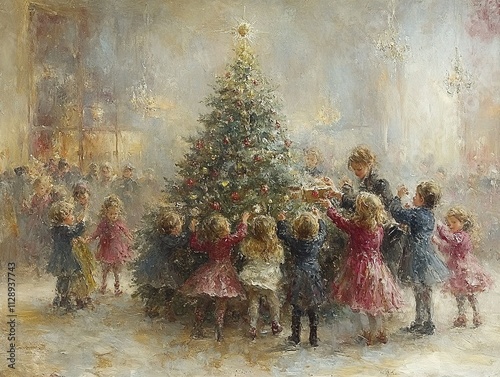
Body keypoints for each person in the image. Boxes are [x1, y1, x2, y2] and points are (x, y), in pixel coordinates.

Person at [320, 193, 403, 345]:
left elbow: (340, 221)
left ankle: (370, 334)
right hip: (376, 267)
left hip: (359, 268)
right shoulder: (378, 227)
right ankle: (381, 331)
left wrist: (330, 208)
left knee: (365, 303)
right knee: (375, 302)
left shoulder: (356, 226)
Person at [326, 145, 405, 279]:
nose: (356, 172)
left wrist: (341, 196)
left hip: (381, 233)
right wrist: (342, 192)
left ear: (369, 164)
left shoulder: (380, 183)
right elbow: (359, 204)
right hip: (371, 230)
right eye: (354, 169)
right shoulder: (364, 181)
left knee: (384, 273)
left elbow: (369, 206)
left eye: (359, 169)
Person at [390, 181, 449, 335]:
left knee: (419, 289)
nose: (414, 197)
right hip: (427, 254)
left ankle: (422, 321)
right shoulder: (429, 214)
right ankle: (425, 321)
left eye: (416, 195)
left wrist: (398, 197)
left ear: (422, 199)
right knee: (425, 289)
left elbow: (396, 213)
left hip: (416, 255)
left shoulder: (416, 214)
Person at [180, 212, 249, 342]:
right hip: (224, 273)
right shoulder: (227, 240)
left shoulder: (208, 242)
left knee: (202, 302)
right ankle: (219, 330)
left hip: (209, 273)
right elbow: (241, 235)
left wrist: (193, 231)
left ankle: (197, 328)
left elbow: (195, 246)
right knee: (221, 303)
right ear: (224, 229)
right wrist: (243, 222)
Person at [433, 206, 493, 327]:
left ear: (462, 222)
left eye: (454, 222)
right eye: (449, 223)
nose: (451, 226)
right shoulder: (456, 234)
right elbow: (449, 245)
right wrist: (441, 231)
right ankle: (462, 315)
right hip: (455, 267)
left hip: (465, 267)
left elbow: (452, 243)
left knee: (470, 293)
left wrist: (440, 235)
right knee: (459, 294)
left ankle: (476, 314)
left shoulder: (462, 236)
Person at [276, 208, 327, 347]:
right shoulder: (317, 241)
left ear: (296, 228)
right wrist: (320, 218)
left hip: (298, 275)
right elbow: (324, 232)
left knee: (297, 308)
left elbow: (282, 234)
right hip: (313, 276)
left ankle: (295, 336)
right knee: (313, 308)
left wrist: (282, 221)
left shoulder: (294, 242)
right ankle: (313, 338)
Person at [132, 209, 192, 319]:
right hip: (161, 267)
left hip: (162, 266)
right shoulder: (168, 239)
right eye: (179, 226)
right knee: (162, 287)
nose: (180, 228)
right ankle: (154, 308)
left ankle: (164, 308)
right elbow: (180, 241)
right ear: (172, 228)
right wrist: (189, 232)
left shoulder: (164, 236)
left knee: (166, 287)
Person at [239, 215, 284, 340]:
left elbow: (245, 255)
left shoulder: (249, 244)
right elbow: (280, 260)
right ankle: (275, 323)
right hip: (269, 278)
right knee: (273, 300)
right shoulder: (275, 245)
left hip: (253, 277)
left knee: (253, 301)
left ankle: (252, 326)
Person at [88, 195, 133, 296]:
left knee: (116, 269)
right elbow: (97, 232)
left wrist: (129, 236)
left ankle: (117, 287)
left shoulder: (119, 222)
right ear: (106, 213)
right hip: (106, 248)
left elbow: (125, 231)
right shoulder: (103, 223)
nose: (113, 216)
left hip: (116, 248)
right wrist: (90, 238)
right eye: (111, 214)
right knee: (105, 269)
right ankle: (103, 285)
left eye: (115, 214)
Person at [46, 201, 86, 312]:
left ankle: (60, 297)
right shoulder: (64, 229)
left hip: (58, 258)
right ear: (64, 217)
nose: (72, 217)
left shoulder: (56, 229)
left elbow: (67, 238)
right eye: (70, 214)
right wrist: (81, 222)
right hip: (66, 258)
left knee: (62, 278)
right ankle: (65, 298)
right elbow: (75, 232)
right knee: (68, 277)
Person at [71, 182, 97, 309]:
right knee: (80, 270)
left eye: (84, 194)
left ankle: (86, 295)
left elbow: (95, 225)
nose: (81, 197)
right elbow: (73, 227)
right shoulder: (74, 210)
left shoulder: (92, 209)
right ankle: (80, 296)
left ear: (88, 194)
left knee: (89, 268)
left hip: (89, 242)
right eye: (78, 195)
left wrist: (91, 237)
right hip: (78, 244)